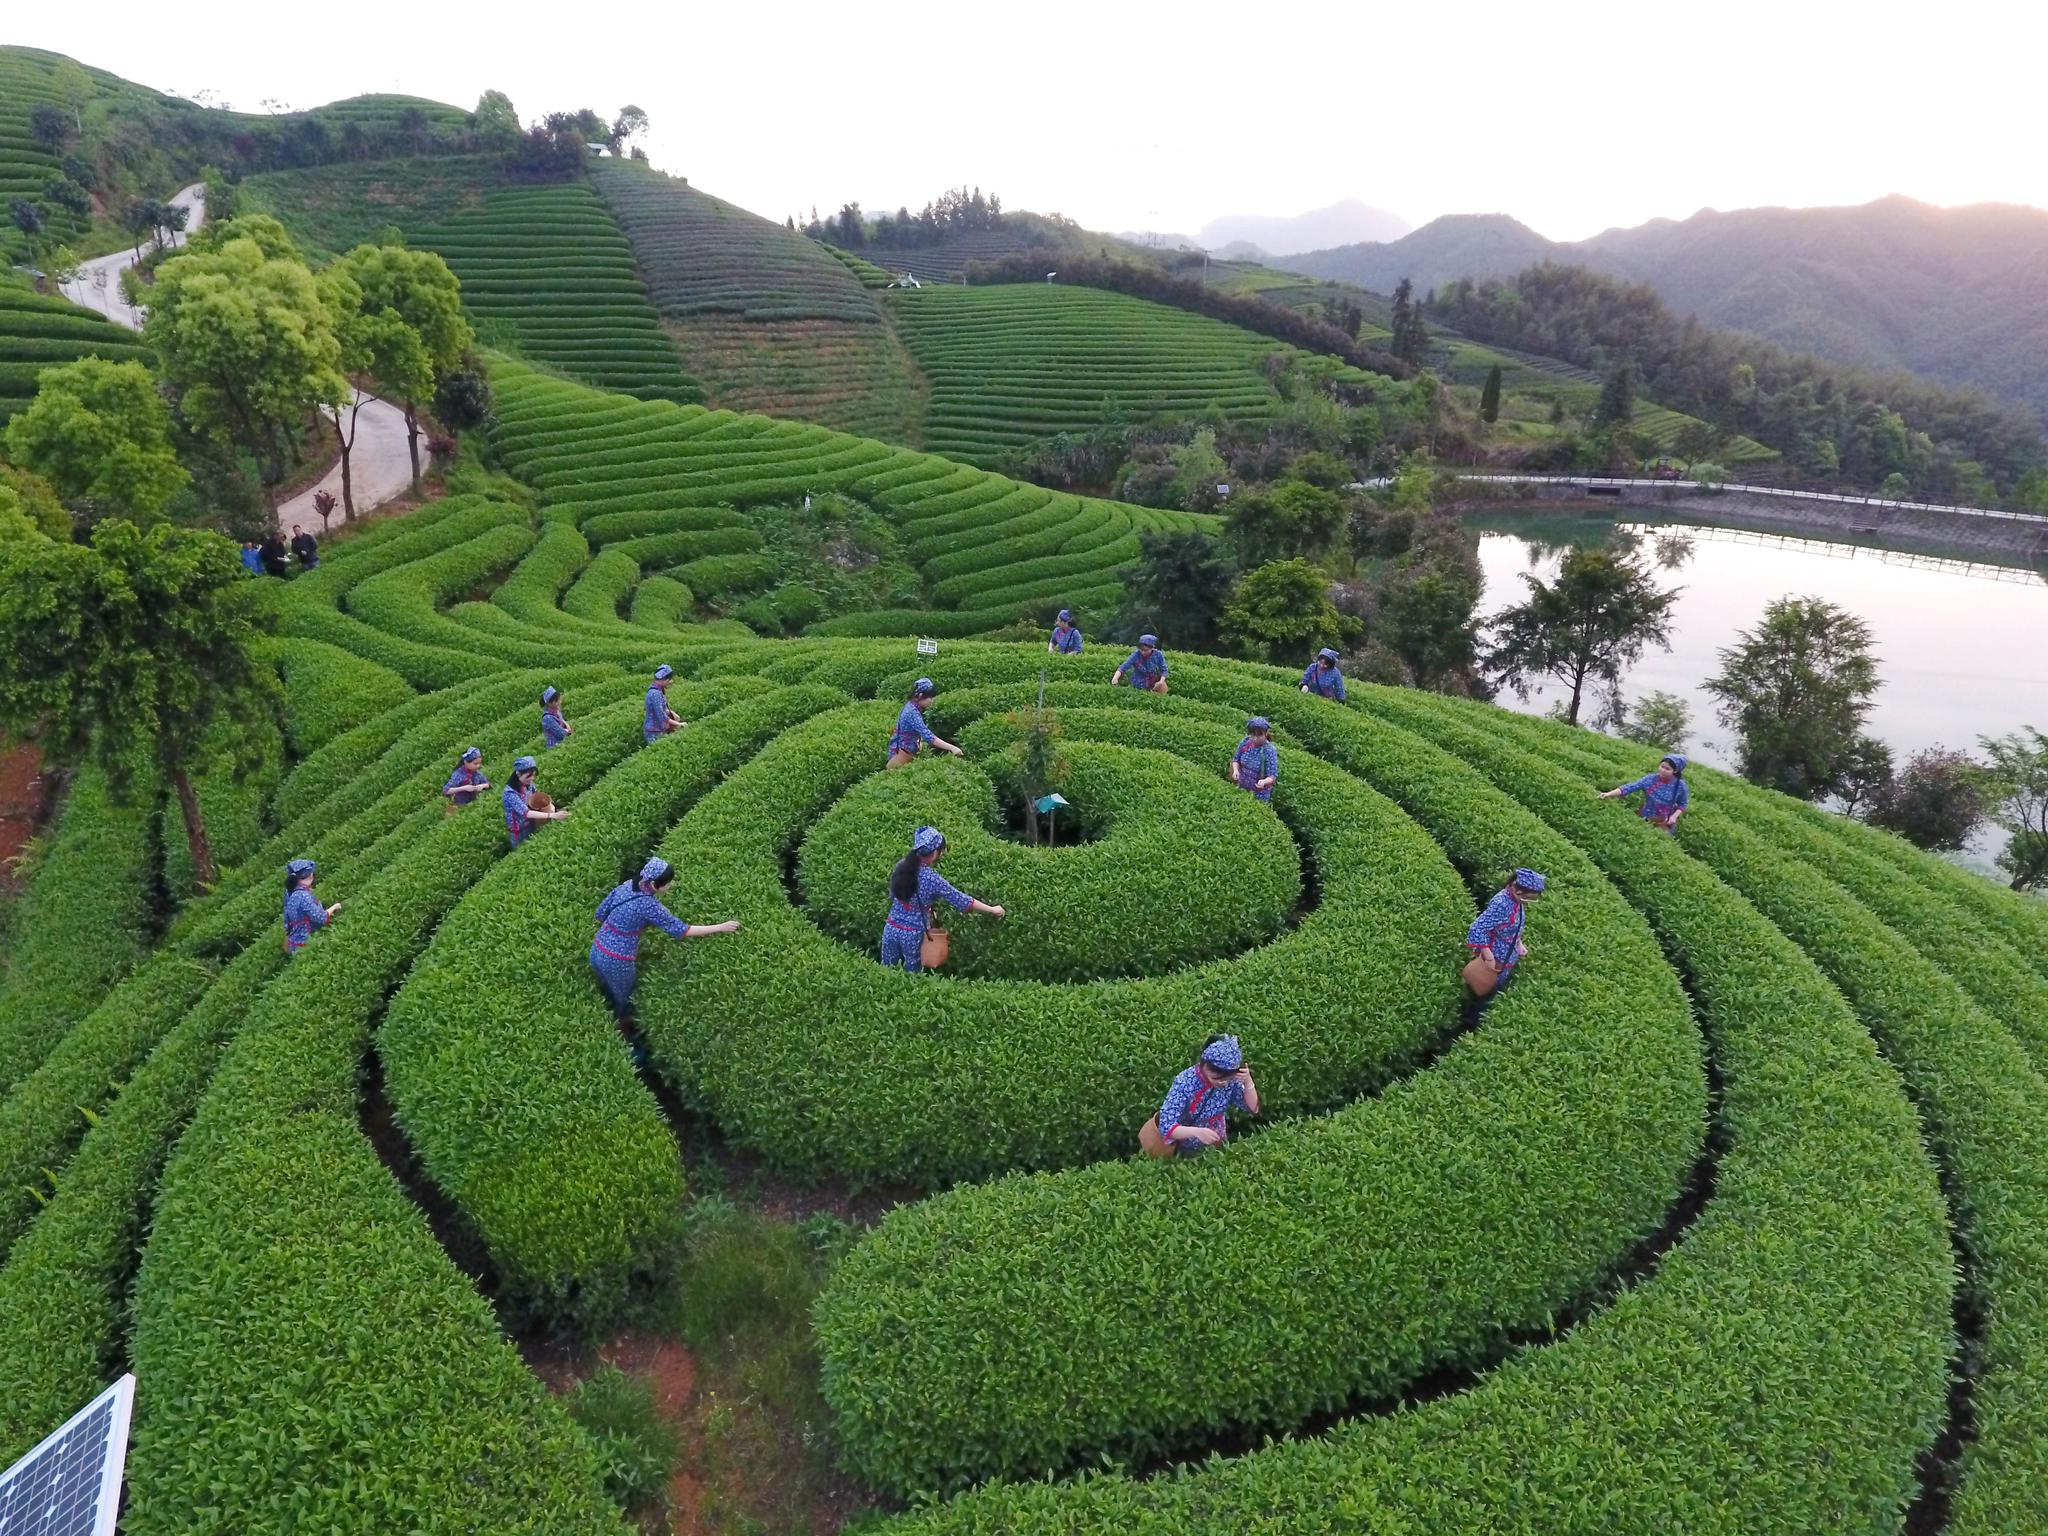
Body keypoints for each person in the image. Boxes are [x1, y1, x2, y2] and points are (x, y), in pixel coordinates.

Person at [588, 857, 741, 1020]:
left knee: (604, 988)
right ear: (655, 885)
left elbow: (600, 914)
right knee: (625, 999)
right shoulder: (649, 906)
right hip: (616, 959)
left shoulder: (629, 884)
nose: (671, 885)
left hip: (596, 948)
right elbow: (683, 930)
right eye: (668, 883)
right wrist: (720, 927)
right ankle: (624, 1028)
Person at [880, 825, 1005, 972]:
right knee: (911, 976)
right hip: (913, 934)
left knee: (886, 971)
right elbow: (961, 900)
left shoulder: (901, 865)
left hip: (891, 927)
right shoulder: (932, 879)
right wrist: (991, 909)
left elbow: (893, 894)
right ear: (934, 853)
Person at [1155, 1034, 1259, 1155]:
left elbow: (1253, 1108)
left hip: (1215, 1141)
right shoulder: (1184, 1082)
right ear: (1204, 1066)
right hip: (1183, 1146)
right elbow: (1166, 1125)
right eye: (1217, 1078)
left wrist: (1248, 1082)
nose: (1223, 1083)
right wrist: (1197, 1132)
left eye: (1227, 1079)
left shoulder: (1231, 1080)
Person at [1466, 868, 1545, 988]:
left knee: (1493, 988)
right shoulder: (1502, 905)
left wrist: (1518, 944)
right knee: (1483, 987)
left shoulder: (1516, 901)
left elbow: (1510, 925)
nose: (1527, 902)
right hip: (1494, 958)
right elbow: (1477, 928)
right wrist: (1489, 957)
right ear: (1518, 891)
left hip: (1506, 956)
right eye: (1527, 898)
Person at [1599, 754, 1690, 832]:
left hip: (1665, 821)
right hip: (1646, 815)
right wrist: (1609, 794)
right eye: (1662, 766)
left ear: (1675, 771)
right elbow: (1630, 787)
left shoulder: (1680, 785)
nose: (1662, 770)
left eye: (1667, 769)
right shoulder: (1650, 779)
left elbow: (1683, 804)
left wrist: (1674, 817)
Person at [886, 678, 964, 768]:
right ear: (920, 695)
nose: (932, 700)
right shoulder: (911, 712)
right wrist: (952, 748)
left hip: (907, 751)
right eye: (931, 697)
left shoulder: (912, 706)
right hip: (904, 755)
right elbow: (929, 736)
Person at [503, 756, 569, 847]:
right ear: (518, 774)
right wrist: (552, 815)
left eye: (533, 775)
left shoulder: (529, 784)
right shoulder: (510, 793)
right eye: (528, 776)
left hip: (531, 823)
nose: (532, 778)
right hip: (519, 831)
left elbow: (534, 798)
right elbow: (526, 813)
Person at [282, 858, 340, 955]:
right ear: (309, 876)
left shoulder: (289, 892)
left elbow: (287, 920)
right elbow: (321, 918)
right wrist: (335, 907)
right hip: (307, 943)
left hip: (294, 942)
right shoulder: (303, 896)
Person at [1229, 717, 1279, 803]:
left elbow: (1272, 776)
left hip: (1259, 793)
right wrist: (1236, 771)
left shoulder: (1270, 750)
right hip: (1242, 786)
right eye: (1253, 735)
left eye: (1259, 735)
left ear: (1266, 734)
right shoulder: (1245, 742)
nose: (1255, 738)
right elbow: (1236, 760)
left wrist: (1264, 781)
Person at [644, 664, 685, 743]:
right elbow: (662, 716)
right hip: (654, 732)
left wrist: (672, 713)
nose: (671, 682)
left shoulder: (657, 690)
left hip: (658, 729)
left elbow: (662, 709)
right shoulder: (655, 694)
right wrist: (679, 724)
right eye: (669, 680)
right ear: (664, 680)